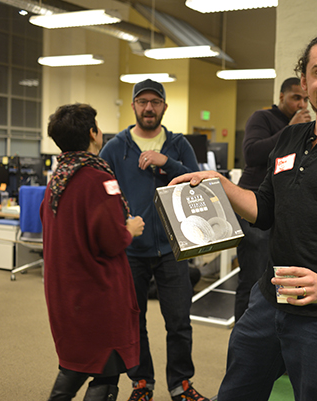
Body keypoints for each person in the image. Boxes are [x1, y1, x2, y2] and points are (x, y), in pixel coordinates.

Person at [169, 31, 317, 401]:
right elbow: (265, 209)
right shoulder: (289, 139)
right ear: (305, 81)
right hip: (268, 301)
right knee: (235, 394)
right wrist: (221, 185)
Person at [99, 79, 208, 401]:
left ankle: (181, 385)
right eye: (143, 102)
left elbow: (198, 183)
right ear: (133, 105)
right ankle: (141, 383)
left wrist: (166, 163)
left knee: (179, 322)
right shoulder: (115, 147)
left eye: (155, 102)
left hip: (173, 249)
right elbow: (102, 194)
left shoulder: (178, 144)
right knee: (134, 322)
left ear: (164, 106)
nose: (149, 108)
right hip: (131, 250)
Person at [41, 103, 145, 401]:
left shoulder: (57, 179)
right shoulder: (99, 178)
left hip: (65, 291)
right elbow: (111, 240)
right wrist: (130, 229)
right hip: (98, 292)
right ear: (92, 133)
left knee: (76, 364)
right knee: (105, 368)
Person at [234, 76, 311, 321]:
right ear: (281, 97)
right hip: (255, 206)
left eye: (305, 99)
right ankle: (244, 333)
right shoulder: (263, 117)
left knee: (279, 281)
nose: (302, 104)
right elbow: (252, 153)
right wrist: (290, 129)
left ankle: (272, 333)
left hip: (285, 212)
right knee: (253, 278)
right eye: (296, 98)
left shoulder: (307, 128)